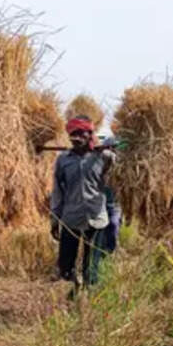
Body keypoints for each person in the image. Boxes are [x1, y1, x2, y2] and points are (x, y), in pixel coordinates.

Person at [50, 115, 116, 289]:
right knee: (65, 267)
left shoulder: (104, 157)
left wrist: (112, 152)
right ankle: (72, 293)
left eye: (81, 134)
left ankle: (89, 301)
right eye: (73, 134)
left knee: (91, 270)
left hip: (96, 219)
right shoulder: (63, 160)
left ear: (90, 134)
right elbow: (57, 192)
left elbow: (122, 175)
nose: (76, 138)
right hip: (71, 219)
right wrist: (54, 220)